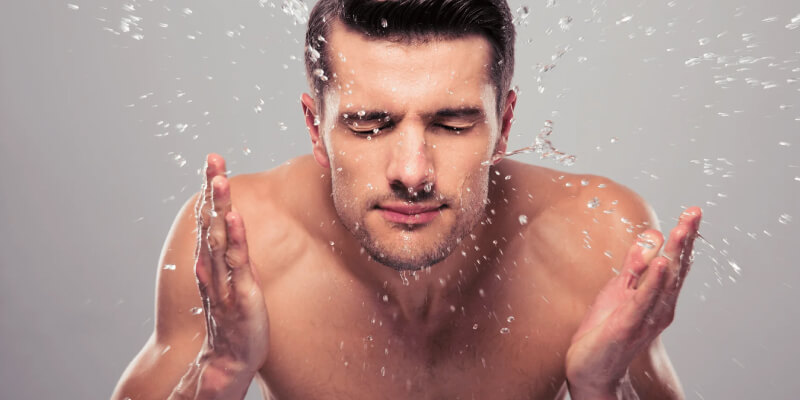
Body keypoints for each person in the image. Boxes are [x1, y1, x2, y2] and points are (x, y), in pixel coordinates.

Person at [112, 0, 702, 398]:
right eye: (370, 124)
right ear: (316, 127)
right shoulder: (240, 243)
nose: (413, 173)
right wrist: (222, 371)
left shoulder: (597, 240)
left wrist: (604, 388)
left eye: (452, 124)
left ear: (507, 123)